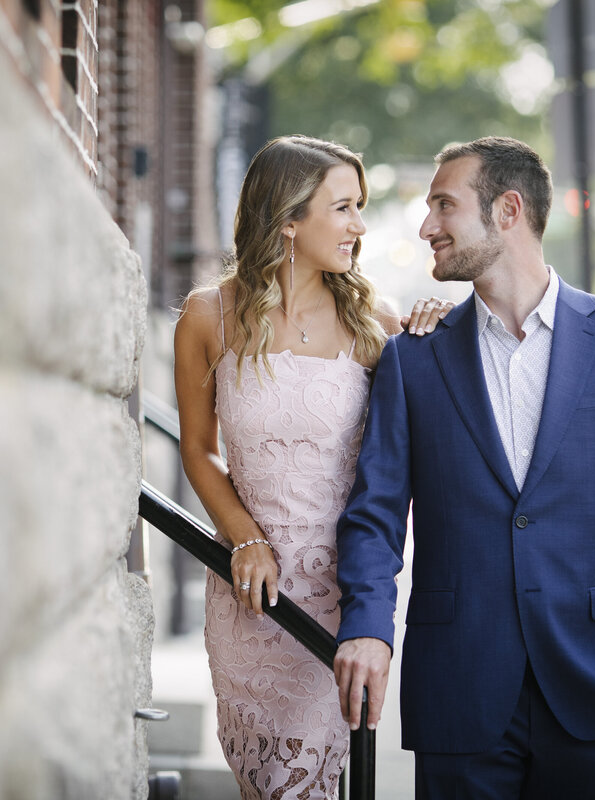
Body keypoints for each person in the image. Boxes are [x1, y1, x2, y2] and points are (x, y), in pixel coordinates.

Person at [333, 136, 595, 799]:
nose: (426, 226)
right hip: (458, 684)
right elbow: (373, 516)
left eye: (444, 204)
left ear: (507, 210)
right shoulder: (413, 360)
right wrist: (366, 627)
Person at [174, 135, 452, 799]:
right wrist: (244, 534)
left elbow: (423, 443)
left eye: (359, 207)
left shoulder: (374, 323)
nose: (359, 225)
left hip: (336, 595)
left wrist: (439, 333)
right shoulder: (206, 316)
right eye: (344, 208)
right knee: (264, 782)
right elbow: (197, 448)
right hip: (249, 595)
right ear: (289, 219)